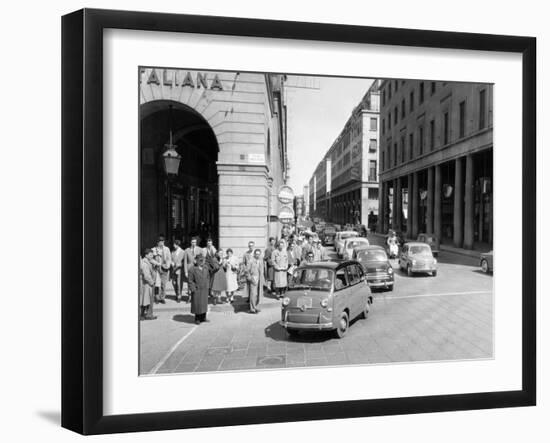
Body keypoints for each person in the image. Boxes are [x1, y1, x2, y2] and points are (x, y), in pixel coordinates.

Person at [188, 254, 210, 324]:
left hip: (204, 289)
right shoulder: (192, 269)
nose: (201, 262)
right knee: (197, 304)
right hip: (197, 289)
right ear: (196, 261)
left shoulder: (206, 267)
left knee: (204, 304)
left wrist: (207, 285)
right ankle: (197, 318)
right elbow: (190, 280)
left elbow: (208, 277)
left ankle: (203, 317)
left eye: (203, 260)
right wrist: (193, 289)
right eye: (200, 260)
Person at [139, 248, 158, 320]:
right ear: (146, 255)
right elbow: (146, 275)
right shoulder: (144, 263)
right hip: (147, 284)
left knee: (145, 300)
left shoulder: (147, 261)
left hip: (146, 284)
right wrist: (152, 282)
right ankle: (148, 315)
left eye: (152, 255)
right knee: (147, 300)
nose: (152, 256)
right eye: (150, 255)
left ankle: (143, 315)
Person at [153, 235, 172, 304]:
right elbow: (151, 259)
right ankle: (157, 298)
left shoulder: (167, 249)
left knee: (163, 284)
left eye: (163, 241)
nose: (162, 242)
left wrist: (167, 265)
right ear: (157, 242)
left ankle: (162, 297)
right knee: (157, 284)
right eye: (160, 241)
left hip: (164, 269)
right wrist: (157, 264)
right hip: (156, 269)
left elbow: (169, 258)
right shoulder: (154, 249)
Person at [245, 249, 264, 313]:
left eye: (259, 254)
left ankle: (256, 306)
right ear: (254, 254)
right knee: (253, 294)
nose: (257, 255)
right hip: (253, 279)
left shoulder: (261, 261)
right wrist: (250, 278)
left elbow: (262, 270)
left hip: (260, 279)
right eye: (256, 254)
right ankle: (252, 309)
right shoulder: (250, 261)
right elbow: (247, 271)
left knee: (258, 294)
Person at [183, 237, 202, 302]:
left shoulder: (200, 249)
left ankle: (196, 297)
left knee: (197, 283)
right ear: (190, 242)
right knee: (189, 283)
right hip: (189, 269)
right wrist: (185, 271)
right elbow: (185, 261)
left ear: (196, 243)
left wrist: (199, 264)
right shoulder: (186, 250)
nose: (193, 243)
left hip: (197, 268)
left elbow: (202, 260)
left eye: (195, 242)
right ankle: (190, 297)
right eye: (192, 242)